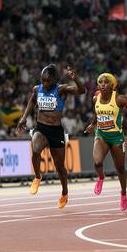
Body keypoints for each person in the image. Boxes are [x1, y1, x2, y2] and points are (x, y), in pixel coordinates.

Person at [17, 64, 85, 209]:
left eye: (47, 81)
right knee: (35, 149)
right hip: (41, 127)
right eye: (42, 80)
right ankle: (37, 176)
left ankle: (64, 193)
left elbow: (82, 90)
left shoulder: (61, 89)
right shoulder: (37, 89)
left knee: (60, 166)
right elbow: (32, 101)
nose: (44, 83)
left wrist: (76, 79)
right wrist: (24, 117)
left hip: (56, 131)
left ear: (54, 80)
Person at [84, 73, 127, 211]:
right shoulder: (96, 99)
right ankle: (101, 177)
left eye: (106, 83)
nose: (102, 85)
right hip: (101, 135)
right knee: (97, 162)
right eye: (100, 82)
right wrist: (93, 124)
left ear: (112, 85)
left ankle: (123, 194)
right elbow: (98, 113)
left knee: (120, 169)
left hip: (116, 138)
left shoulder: (119, 99)